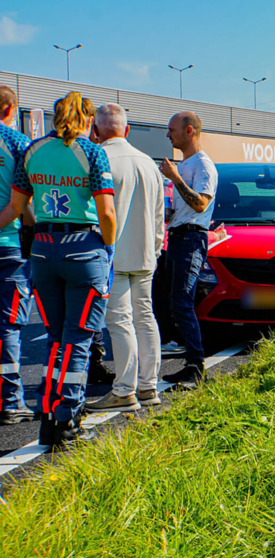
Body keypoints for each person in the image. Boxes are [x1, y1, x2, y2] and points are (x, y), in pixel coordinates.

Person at [9, 92, 117, 448]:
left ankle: (50, 415)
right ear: (88, 119)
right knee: (80, 339)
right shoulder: (92, 152)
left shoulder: (32, 150)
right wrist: (108, 247)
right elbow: (107, 214)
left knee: (56, 340)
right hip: (83, 249)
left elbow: (17, 207)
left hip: (43, 249)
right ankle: (68, 419)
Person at [85, 104, 164, 412]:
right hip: (145, 253)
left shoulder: (99, 158)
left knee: (119, 322)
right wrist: (155, 249)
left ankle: (124, 389)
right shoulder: (148, 163)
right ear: (127, 129)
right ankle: (148, 386)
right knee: (145, 318)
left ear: (96, 130)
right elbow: (160, 216)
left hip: (112, 253)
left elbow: (97, 212)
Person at [159, 111, 217, 386]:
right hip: (178, 238)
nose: (168, 134)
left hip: (191, 239)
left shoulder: (203, 165)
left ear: (189, 131)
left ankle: (197, 367)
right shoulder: (186, 164)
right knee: (174, 302)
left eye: (172, 129)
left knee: (182, 301)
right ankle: (190, 364)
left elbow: (200, 204)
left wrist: (174, 177)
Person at [0, 86, 35, 425]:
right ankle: (11, 402)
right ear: (11, 108)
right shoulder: (17, 143)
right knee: (9, 325)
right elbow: (22, 201)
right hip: (9, 244)